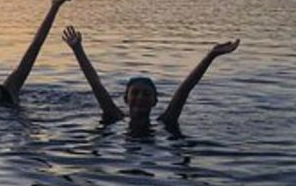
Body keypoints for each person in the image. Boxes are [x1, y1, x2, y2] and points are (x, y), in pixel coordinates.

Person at [61, 25, 239, 134]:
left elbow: (184, 90)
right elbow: (96, 85)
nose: (140, 98)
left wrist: (211, 55)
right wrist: (78, 49)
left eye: (146, 94)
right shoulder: (115, 117)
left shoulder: (166, 121)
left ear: (155, 101)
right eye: (135, 93)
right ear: (125, 99)